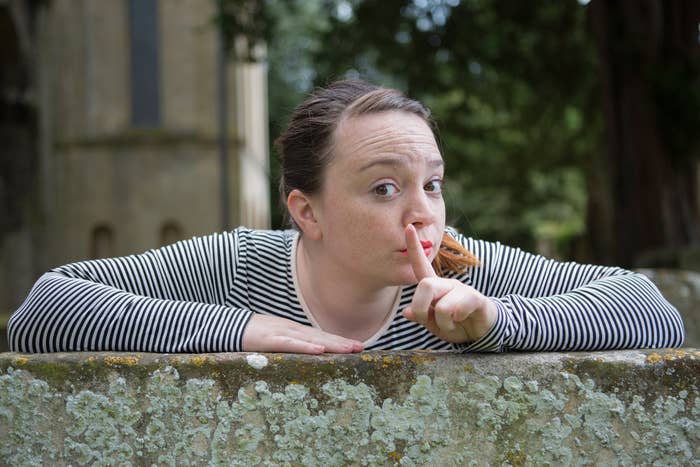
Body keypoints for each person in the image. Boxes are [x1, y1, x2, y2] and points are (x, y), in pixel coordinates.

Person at [7, 80, 685, 354]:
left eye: (435, 183)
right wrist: (242, 327)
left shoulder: (452, 260)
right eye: (385, 188)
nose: (423, 212)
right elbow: (44, 308)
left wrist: (497, 322)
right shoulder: (238, 264)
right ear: (307, 211)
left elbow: (652, 308)